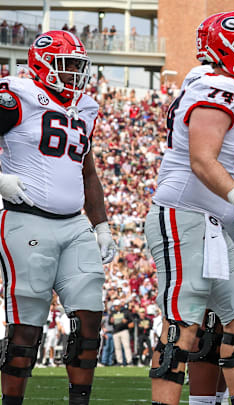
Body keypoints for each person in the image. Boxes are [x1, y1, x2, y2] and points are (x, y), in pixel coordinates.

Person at [144, 11, 234, 405]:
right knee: (183, 327)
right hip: (185, 215)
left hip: (212, 223)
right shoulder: (217, 87)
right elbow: (203, 159)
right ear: (224, 50)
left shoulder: (223, 89)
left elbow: (232, 161)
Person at [0, 30, 117, 405]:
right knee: (25, 330)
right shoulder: (15, 93)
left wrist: (101, 224)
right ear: (42, 64)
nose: (73, 75)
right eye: (66, 66)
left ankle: (79, 401)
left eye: (77, 67)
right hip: (25, 218)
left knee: (89, 322)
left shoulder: (85, 107)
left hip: (74, 224)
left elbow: (88, 171)